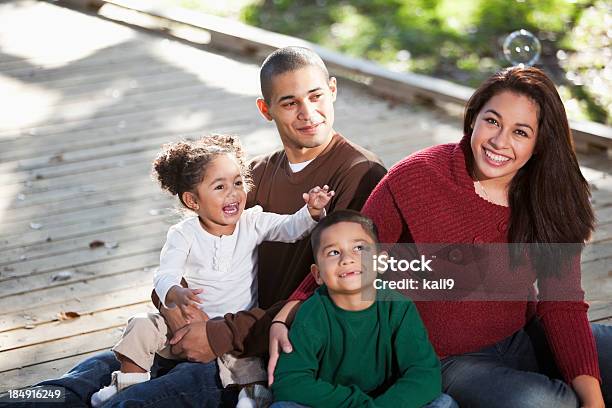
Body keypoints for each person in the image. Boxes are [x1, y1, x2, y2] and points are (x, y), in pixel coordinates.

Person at [14, 46, 386, 407]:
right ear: (266, 109)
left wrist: (219, 334)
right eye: (290, 102)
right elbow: (195, 249)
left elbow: (340, 296)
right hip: (201, 327)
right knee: (82, 378)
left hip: (255, 354)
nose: (308, 113)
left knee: (135, 400)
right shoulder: (252, 175)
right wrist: (174, 307)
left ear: (333, 90)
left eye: (316, 96)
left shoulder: (360, 175)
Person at [286, 66, 611, 408]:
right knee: (547, 402)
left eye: (520, 131)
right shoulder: (417, 178)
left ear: (540, 141)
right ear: (473, 119)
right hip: (442, 359)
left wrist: (593, 400)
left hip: (521, 336)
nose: (500, 142)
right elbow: (349, 249)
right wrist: (289, 311)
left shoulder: (551, 194)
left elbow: (562, 304)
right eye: (492, 121)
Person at [89, 135, 333, 407]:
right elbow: (165, 273)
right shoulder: (184, 234)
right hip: (182, 327)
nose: (233, 193)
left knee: (248, 354)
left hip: (229, 325)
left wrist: (311, 211)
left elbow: (291, 229)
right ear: (193, 201)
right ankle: (128, 381)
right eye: (220, 187)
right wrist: (174, 292)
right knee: (141, 324)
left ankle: (253, 394)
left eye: (238, 183)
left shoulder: (251, 222)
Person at [270, 210, 456, 408]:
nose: (347, 259)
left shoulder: (398, 308)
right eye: (333, 252)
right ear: (318, 275)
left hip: (388, 402)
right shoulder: (312, 313)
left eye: (359, 248)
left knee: (444, 403)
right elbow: (289, 382)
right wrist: (358, 404)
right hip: (331, 403)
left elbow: (425, 374)